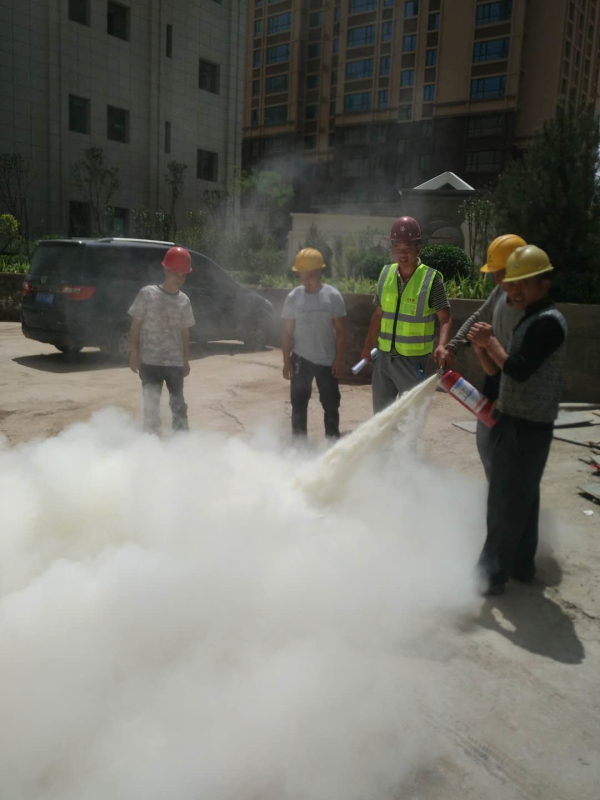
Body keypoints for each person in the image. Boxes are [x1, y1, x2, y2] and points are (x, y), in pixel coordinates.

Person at [468, 245, 567, 595]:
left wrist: (491, 342)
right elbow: (501, 372)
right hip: (516, 420)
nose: (515, 290)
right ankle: (522, 566)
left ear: (545, 284)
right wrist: (483, 350)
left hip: (527, 426)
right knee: (522, 498)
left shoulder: (548, 323)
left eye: (525, 283)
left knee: (503, 503)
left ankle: (490, 577)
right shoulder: (529, 318)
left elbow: (519, 369)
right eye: (511, 284)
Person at [440, 234, 526, 478]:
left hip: (514, 390)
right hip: (495, 379)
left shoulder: (533, 311)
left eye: (502, 272)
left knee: (508, 454)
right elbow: (478, 317)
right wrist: (454, 345)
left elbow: (524, 368)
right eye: (495, 273)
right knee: (487, 443)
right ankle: (496, 491)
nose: (497, 279)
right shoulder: (500, 293)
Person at [359, 216, 452, 413]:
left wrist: (442, 345)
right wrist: (367, 347)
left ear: (418, 248)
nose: (402, 253)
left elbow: (445, 318)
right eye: (397, 247)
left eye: (407, 247)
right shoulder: (385, 274)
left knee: (410, 416)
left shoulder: (431, 279)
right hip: (384, 359)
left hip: (413, 361)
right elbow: (378, 315)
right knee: (381, 415)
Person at [128, 246, 196, 434]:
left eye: (184, 275)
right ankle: (151, 442)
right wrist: (134, 353)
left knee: (178, 405)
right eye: (176, 273)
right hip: (150, 361)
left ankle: (182, 440)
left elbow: (185, 333)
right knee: (151, 407)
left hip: (174, 363)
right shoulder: (147, 294)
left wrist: (185, 360)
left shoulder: (184, 300)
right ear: (166, 270)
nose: (180, 278)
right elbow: (135, 326)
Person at [281, 247, 347, 439]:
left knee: (331, 405)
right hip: (301, 360)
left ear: (319, 272)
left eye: (310, 274)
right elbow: (287, 332)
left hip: (327, 361)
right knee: (299, 405)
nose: (305, 279)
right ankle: (299, 447)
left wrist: (339, 360)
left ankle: (332, 443)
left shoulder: (332, 296)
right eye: (302, 275)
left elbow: (341, 331)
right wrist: (286, 361)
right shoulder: (293, 297)